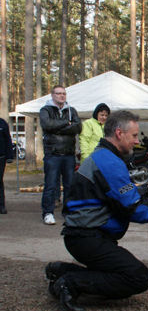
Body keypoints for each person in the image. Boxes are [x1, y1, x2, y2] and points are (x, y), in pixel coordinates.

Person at [44, 110, 148, 311]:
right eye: (134, 135)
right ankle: (70, 282)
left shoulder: (104, 156)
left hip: (83, 236)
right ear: (119, 133)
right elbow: (134, 210)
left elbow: (117, 194)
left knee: (117, 270)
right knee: (137, 277)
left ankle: (61, 270)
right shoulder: (109, 162)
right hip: (87, 238)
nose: (137, 141)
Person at [39, 85, 81, 225]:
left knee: (70, 185)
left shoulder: (71, 110)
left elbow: (78, 127)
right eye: (58, 93)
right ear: (52, 95)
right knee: (50, 184)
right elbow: (47, 125)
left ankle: (68, 212)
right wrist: (65, 124)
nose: (61, 96)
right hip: (53, 154)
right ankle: (48, 213)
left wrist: (59, 128)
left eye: (63, 93)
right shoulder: (46, 110)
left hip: (68, 155)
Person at [0, 117, 14, 214]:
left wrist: (9, 156)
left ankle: (1, 206)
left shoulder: (2, 123)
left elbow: (8, 139)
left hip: (1, 157)